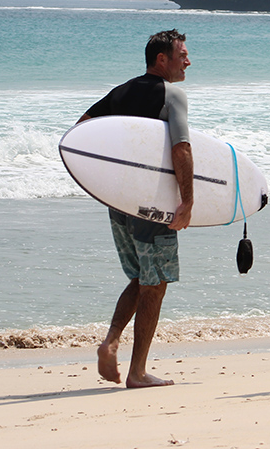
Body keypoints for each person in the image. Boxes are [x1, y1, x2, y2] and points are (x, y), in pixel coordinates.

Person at [76, 29, 193, 388]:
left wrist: (108, 179)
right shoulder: (172, 94)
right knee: (155, 284)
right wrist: (187, 201)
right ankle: (137, 372)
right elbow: (182, 148)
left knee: (141, 278)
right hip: (153, 205)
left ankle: (110, 344)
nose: (188, 60)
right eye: (182, 54)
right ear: (162, 59)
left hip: (120, 203)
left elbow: (81, 133)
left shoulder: (121, 92)